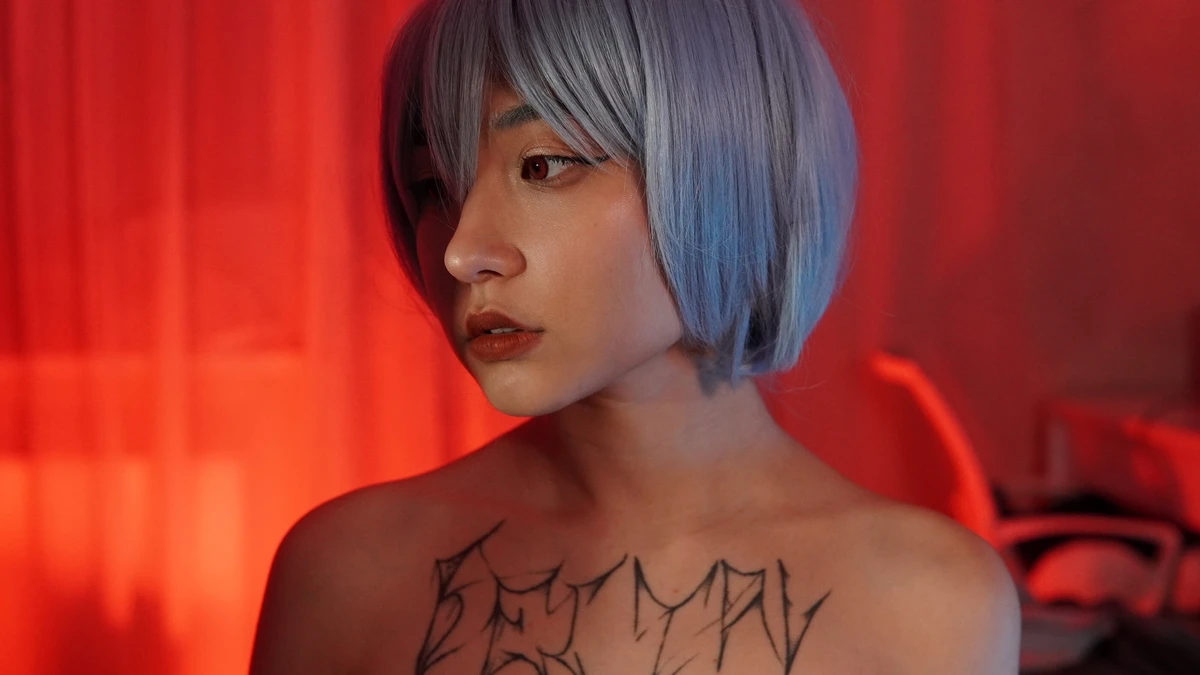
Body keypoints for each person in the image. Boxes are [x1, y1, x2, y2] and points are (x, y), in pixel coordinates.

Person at [250, 0, 1021, 673]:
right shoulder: (346, 573)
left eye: (542, 166)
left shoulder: (930, 605)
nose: (462, 250)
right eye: (432, 184)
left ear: (723, 167)